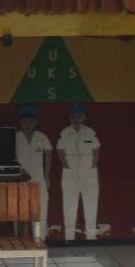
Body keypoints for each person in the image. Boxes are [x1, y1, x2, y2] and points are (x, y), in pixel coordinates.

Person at [58, 103, 101, 241]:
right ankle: (69, 237)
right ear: (69, 118)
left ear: (84, 117)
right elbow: (60, 151)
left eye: (79, 116)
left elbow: (96, 150)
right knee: (69, 203)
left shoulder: (90, 132)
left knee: (91, 202)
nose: (76, 119)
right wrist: (66, 165)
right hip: (70, 171)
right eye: (73, 117)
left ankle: (91, 236)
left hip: (88, 170)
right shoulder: (65, 133)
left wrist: (93, 166)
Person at [15, 104, 53, 228]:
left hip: (38, 178)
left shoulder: (41, 137)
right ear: (20, 122)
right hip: (20, 179)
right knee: (20, 210)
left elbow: (48, 156)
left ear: (36, 122)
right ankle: (21, 238)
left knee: (40, 209)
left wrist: (46, 176)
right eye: (25, 121)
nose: (28, 124)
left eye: (31, 121)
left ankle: (40, 237)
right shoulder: (16, 137)